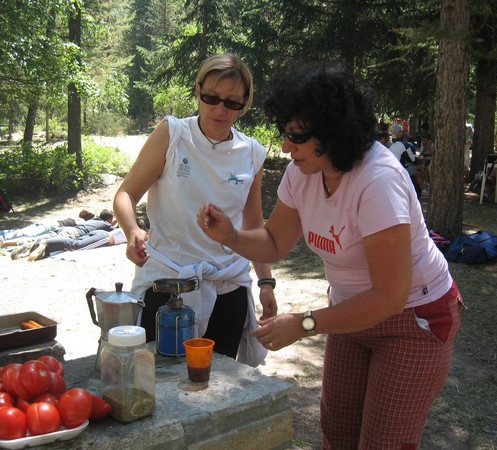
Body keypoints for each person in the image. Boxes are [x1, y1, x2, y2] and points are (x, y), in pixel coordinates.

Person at [197, 65, 463, 448]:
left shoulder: (378, 181)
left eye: (296, 137)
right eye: (284, 134)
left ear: (334, 134)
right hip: (351, 314)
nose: (287, 148)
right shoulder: (301, 172)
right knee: (337, 433)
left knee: (383, 443)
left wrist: (303, 324)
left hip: (413, 319)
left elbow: (389, 295)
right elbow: (273, 242)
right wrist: (231, 236)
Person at [113, 53, 277, 367]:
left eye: (232, 103)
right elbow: (125, 194)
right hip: (167, 285)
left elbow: (255, 228)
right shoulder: (173, 135)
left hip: (226, 290)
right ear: (198, 89)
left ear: (245, 103)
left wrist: (266, 284)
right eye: (211, 97)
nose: (220, 109)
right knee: (156, 380)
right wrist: (132, 230)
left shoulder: (252, 153)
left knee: (215, 388)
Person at [0, 210, 95, 257]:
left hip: (49, 225)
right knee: (26, 234)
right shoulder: (81, 222)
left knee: (25, 235)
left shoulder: (78, 221)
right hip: (50, 225)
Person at [27, 209, 116, 261]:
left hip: (68, 229)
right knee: (56, 245)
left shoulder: (94, 219)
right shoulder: (105, 224)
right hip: (74, 233)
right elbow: (115, 230)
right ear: (110, 219)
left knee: (53, 238)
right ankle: (42, 244)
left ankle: (29, 246)